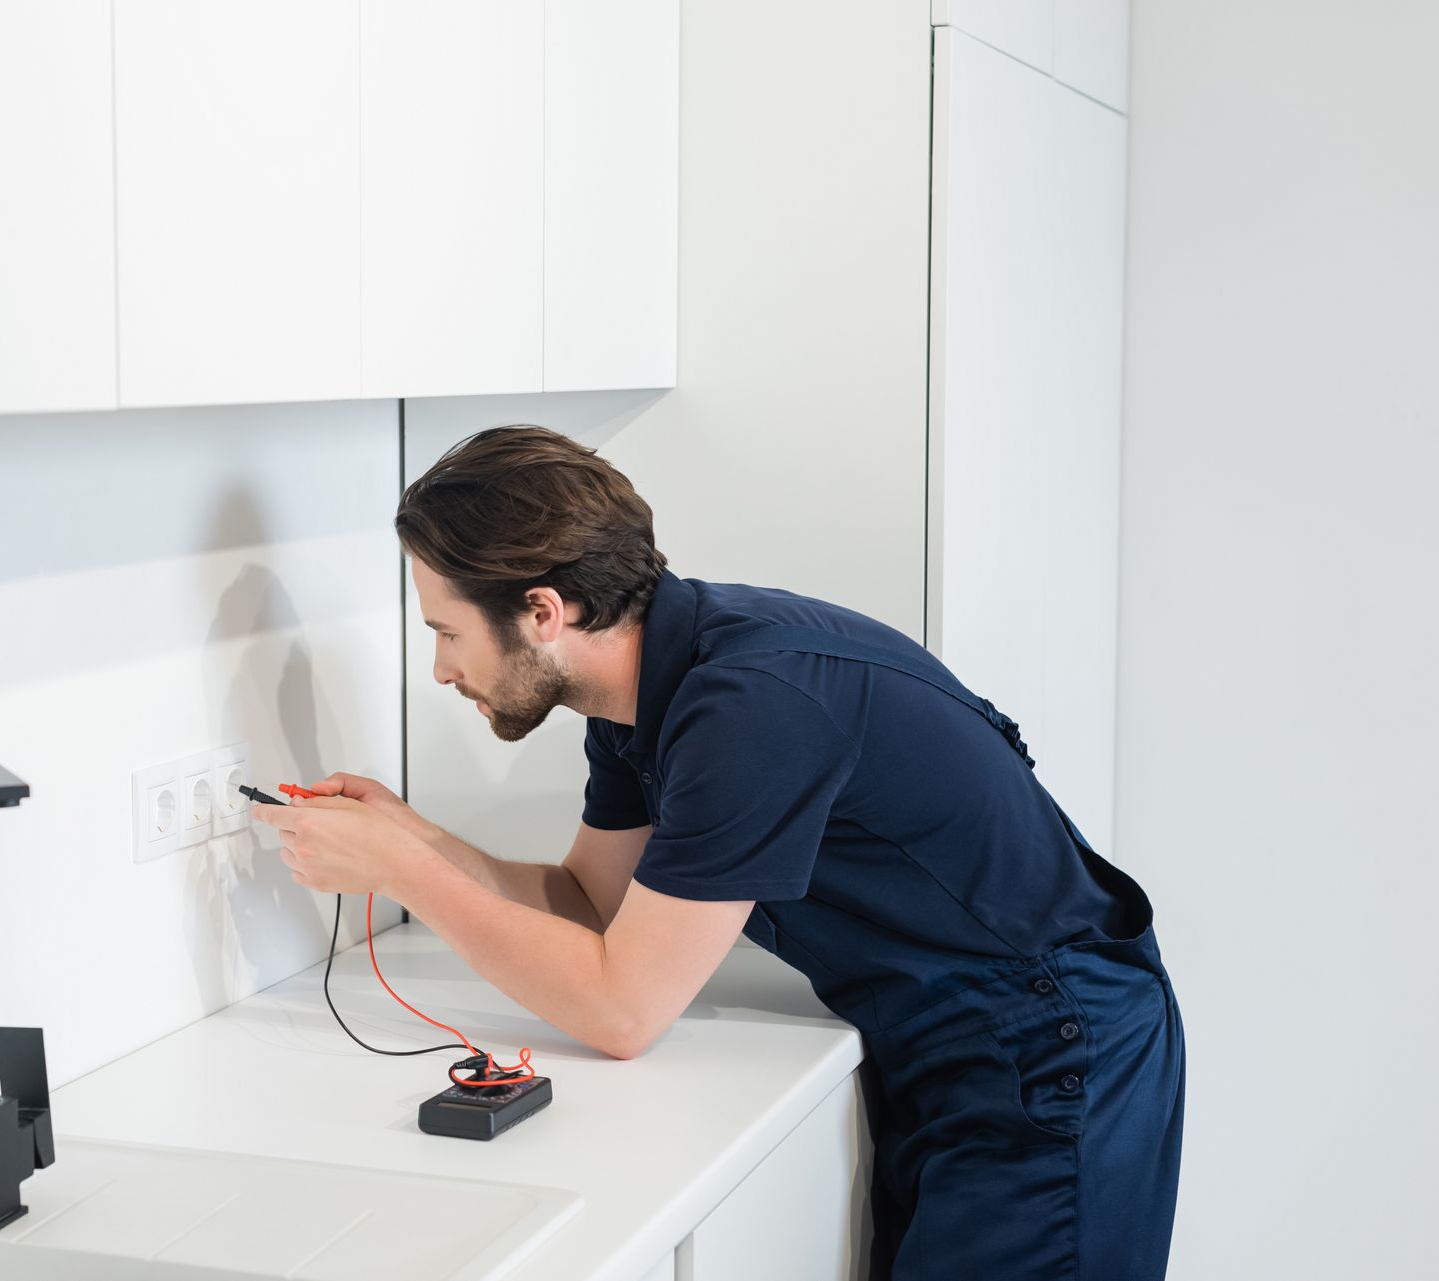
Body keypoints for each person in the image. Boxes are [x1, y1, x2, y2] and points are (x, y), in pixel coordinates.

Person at [249, 425, 1185, 1281]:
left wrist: (404, 872)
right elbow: (589, 900)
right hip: (948, 1037)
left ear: (542, 611)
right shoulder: (647, 689)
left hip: (1052, 1045)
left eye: (448, 633)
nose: (446, 670)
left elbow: (624, 1008)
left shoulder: (749, 707)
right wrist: (413, 834)